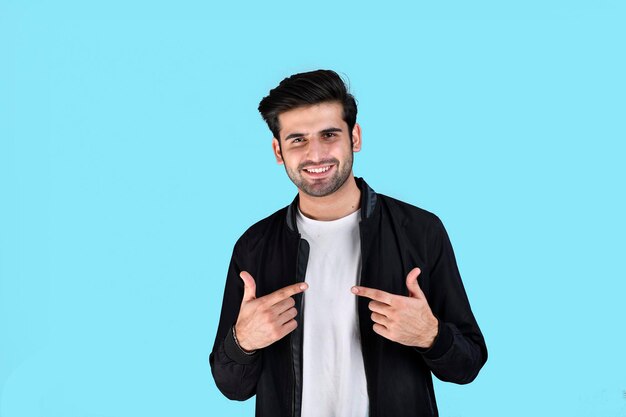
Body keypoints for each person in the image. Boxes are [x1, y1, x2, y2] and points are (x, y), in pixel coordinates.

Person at [209, 69, 487, 417]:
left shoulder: (420, 231)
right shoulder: (253, 246)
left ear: (354, 136)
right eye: (297, 139)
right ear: (278, 151)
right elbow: (231, 387)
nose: (315, 154)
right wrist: (242, 343)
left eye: (329, 134)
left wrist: (431, 335)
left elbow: (468, 364)